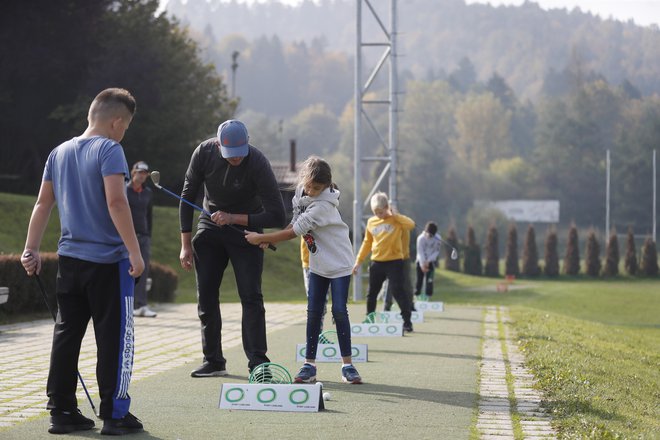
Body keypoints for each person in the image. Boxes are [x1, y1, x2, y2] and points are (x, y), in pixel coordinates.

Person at [20, 88, 145, 435]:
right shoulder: (111, 149)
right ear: (116, 121)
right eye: (126, 126)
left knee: (66, 335)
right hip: (108, 262)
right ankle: (114, 414)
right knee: (115, 339)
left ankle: (61, 410)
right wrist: (135, 253)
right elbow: (117, 203)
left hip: (70, 261)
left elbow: (43, 204)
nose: (124, 133)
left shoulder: (58, 152)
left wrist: (30, 248)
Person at [179, 119, 286, 377]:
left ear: (247, 145)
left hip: (246, 229)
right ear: (219, 145)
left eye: (240, 155)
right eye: (230, 155)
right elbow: (186, 196)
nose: (236, 159)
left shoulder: (258, 162)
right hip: (211, 222)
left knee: (251, 296)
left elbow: (277, 216)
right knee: (206, 295)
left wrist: (233, 218)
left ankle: (258, 364)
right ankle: (214, 361)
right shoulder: (203, 153)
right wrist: (185, 245)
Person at [246, 156, 362, 384]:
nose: (311, 191)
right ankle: (309, 365)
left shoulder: (324, 206)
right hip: (318, 264)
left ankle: (347, 365)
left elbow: (294, 232)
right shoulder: (301, 193)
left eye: (317, 188)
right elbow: (295, 222)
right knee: (313, 312)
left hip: (339, 263)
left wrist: (262, 236)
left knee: (339, 311)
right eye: (309, 186)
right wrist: (272, 240)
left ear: (327, 186)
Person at [352, 192, 415, 332]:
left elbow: (411, 225)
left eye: (381, 212)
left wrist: (395, 215)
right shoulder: (371, 222)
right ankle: (370, 318)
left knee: (398, 291)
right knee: (372, 293)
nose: (379, 215)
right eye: (375, 212)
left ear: (387, 207)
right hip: (377, 262)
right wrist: (358, 261)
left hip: (394, 262)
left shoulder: (396, 220)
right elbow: (367, 242)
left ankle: (407, 322)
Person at [127, 161, 157, 318]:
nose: (142, 176)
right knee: (126, 270)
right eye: (140, 172)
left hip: (143, 236)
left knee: (143, 271)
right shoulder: (124, 190)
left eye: (145, 173)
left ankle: (142, 305)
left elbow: (149, 216)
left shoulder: (148, 193)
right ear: (133, 173)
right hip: (126, 237)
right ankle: (127, 304)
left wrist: (148, 235)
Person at [383, 227, 415, 312]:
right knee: (390, 283)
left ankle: (410, 304)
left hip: (404, 259)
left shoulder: (404, 227)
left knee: (407, 283)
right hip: (391, 259)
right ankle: (387, 305)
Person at [415, 221, 443, 298]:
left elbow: (436, 251)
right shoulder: (420, 238)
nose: (430, 236)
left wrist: (429, 261)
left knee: (429, 280)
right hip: (420, 261)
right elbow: (420, 252)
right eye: (429, 234)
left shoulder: (438, 238)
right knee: (419, 279)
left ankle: (428, 296)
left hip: (431, 261)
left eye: (432, 235)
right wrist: (423, 264)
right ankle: (417, 295)